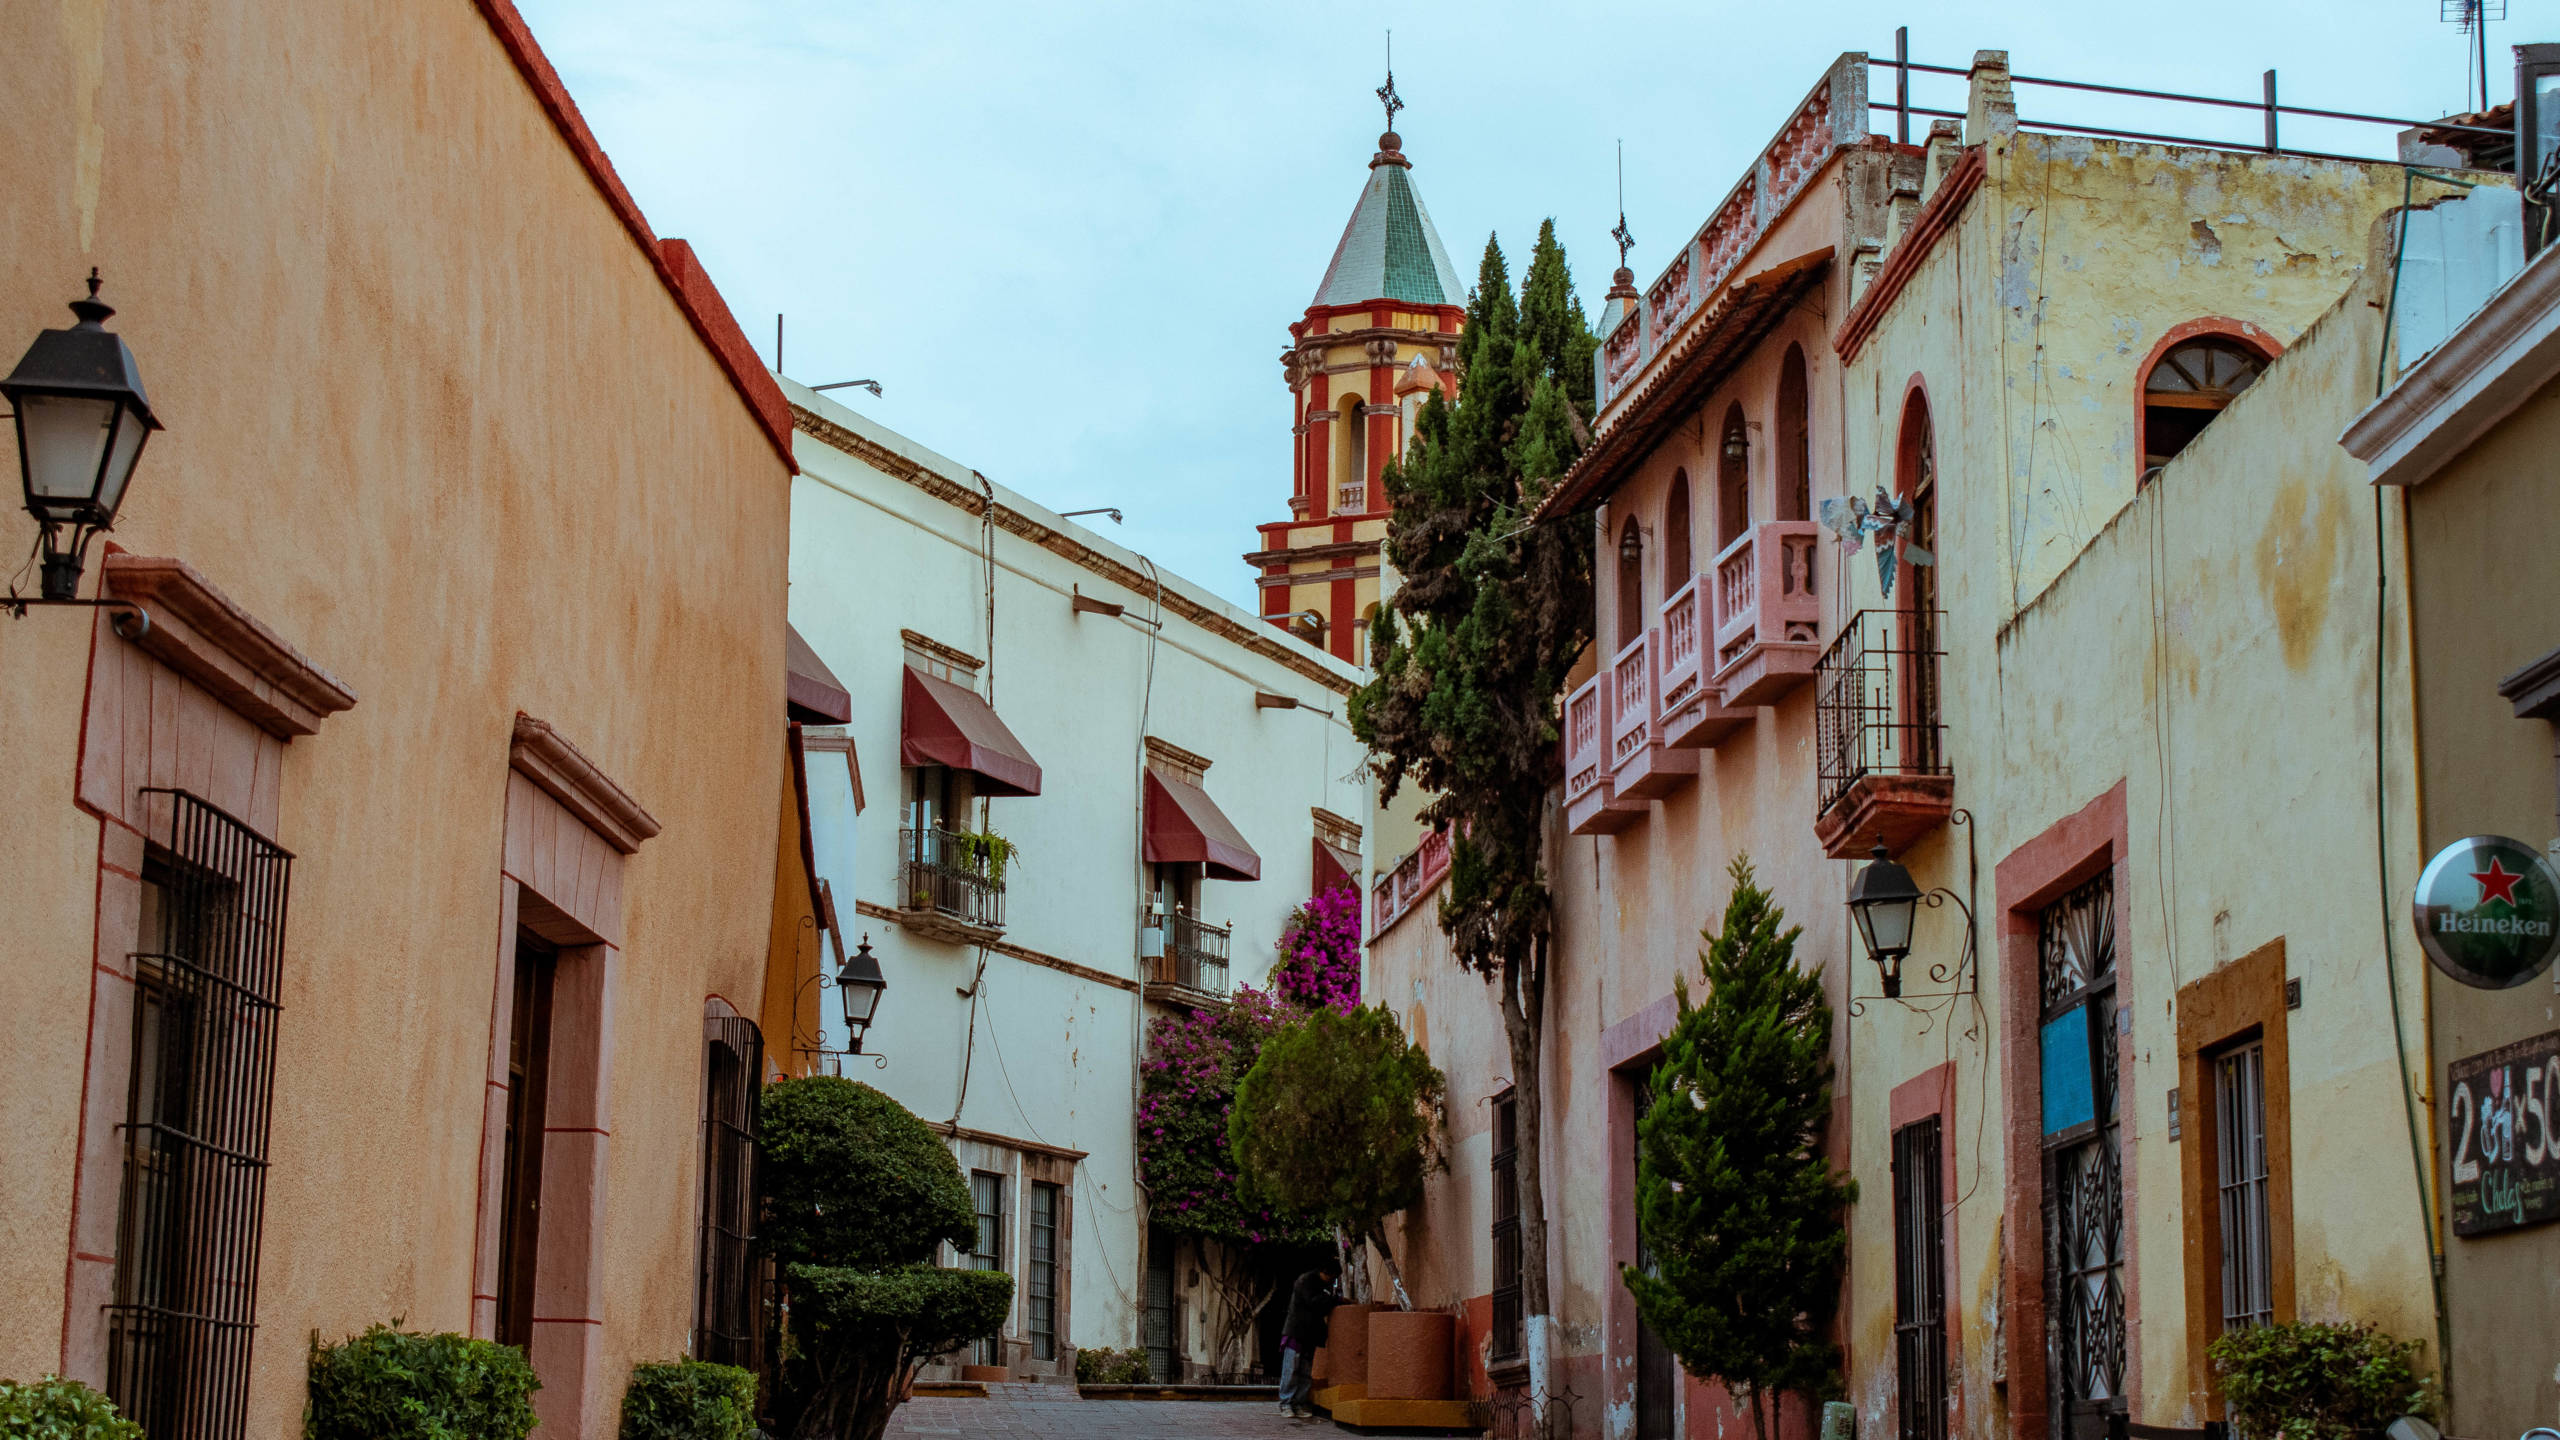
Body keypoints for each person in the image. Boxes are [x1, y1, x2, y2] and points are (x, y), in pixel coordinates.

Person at [1276, 1258, 1342, 1419]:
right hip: (1297, 1332)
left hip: (1311, 1334)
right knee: (1291, 1368)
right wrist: (1335, 1300)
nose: (1332, 1281)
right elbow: (1315, 1302)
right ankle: (1286, 1402)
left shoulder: (1323, 1285)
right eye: (1332, 1277)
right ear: (1325, 1272)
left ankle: (1299, 1402)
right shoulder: (1306, 1281)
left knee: (1305, 1371)